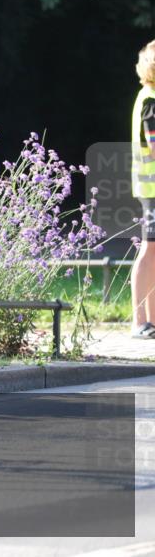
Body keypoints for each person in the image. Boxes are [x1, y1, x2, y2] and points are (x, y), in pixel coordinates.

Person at [130, 39, 155, 339]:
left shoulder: (148, 96)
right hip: (152, 188)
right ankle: (140, 322)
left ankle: (149, 322)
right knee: (149, 250)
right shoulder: (151, 100)